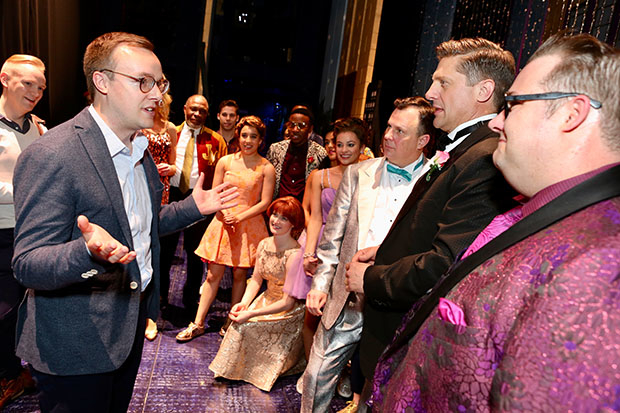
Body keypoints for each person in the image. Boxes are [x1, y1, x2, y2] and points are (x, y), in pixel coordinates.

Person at [371, 33, 620, 413]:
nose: (498, 122)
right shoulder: (545, 215)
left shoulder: (599, 268)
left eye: (514, 105)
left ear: (573, 114)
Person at [11, 32, 238, 413]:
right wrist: (85, 252)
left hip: (127, 327)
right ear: (102, 82)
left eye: (161, 83)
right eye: (143, 82)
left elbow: (140, 226)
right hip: (76, 345)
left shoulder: (139, 150)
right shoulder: (52, 154)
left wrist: (193, 208)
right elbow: (28, 264)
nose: (157, 95)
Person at [345, 38, 517, 401]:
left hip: (410, 335)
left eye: (443, 82)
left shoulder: (484, 158)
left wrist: (373, 278)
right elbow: (433, 228)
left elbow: (447, 264)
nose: (430, 92)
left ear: (484, 90)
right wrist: (386, 252)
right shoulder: (462, 148)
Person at [301, 98, 435, 413]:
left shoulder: (436, 180)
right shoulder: (358, 173)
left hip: (396, 301)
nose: (387, 135)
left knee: (379, 385)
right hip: (346, 295)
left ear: (423, 141)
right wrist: (320, 285)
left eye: (399, 131)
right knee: (315, 376)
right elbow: (332, 235)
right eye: (388, 126)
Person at [177, 115, 275, 342]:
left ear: (261, 140)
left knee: (240, 274)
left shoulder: (266, 167)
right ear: (238, 137)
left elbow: (265, 202)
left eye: (253, 136)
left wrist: (240, 216)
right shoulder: (225, 162)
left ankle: (231, 320)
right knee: (213, 274)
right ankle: (198, 322)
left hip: (248, 223)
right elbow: (215, 194)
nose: (248, 140)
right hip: (223, 220)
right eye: (244, 135)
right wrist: (225, 213)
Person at [209, 196, 306, 391]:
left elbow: (288, 303)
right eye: (275, 215)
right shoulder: (263, 244)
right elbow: (256, 279)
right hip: (266, 299)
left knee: (245, 326)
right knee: (237, 324)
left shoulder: (295, 255)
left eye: (284, 218)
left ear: (294, 224)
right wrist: (244, 304)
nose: (276, 221)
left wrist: (251, 313)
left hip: (288, 310)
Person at [0, 53, 46, 409]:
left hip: (32, 233)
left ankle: (17, 371)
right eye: (28, 84)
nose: (35, 92)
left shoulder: (40, 128)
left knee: (25, 309)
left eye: (41, 87)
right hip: (1, 233)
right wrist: (29, 193)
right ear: (5, 79)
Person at [162, 94, 228, 313]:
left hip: (199, 200)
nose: (197, 114)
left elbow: (223, 174)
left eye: (202, 111)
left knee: (195, 253)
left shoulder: (216, 141)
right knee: (165, 249)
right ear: (184, 109)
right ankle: (161, 296)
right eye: (193, 109)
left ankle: (190, 299)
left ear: (207, 114)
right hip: (171, 196)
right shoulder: (171, 133)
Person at [141, 90, 178, 341]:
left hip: (162, 192)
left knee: (160, 254)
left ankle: (154, 311)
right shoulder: (138, 122)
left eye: (162, 101)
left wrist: (169, 167)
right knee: (140, 250)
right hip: (139, 186)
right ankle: (139, 311)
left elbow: (175, 164)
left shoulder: (171, 128)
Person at [266, 106, 327, 202]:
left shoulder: (320, 153)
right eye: (292, 125)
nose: (295, 129)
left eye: (301, 125)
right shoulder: (275, 149)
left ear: (310, 129)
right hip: (277, 206)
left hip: (303, 209)